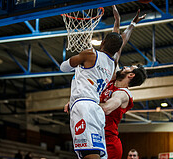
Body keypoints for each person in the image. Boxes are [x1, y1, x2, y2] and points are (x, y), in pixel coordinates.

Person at [60, 5, 124, 159]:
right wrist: (118, 22)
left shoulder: (90, 54)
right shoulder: (112, 64)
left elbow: (63, 67)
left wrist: (77, 63)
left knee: (89, 154)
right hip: (95, 109)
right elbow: (117, 42)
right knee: (97, 154)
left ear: (102, 42)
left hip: (83, 106)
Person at [98, 8, 147, 159]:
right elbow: (116, 47)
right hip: (97, 137)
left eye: (128, 68)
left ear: (131, 75)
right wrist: (125, 23)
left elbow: (105, 109)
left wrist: (81, 102)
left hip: (110, 144)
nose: (124, 67)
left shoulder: (123, 95)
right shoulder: (113, 78)